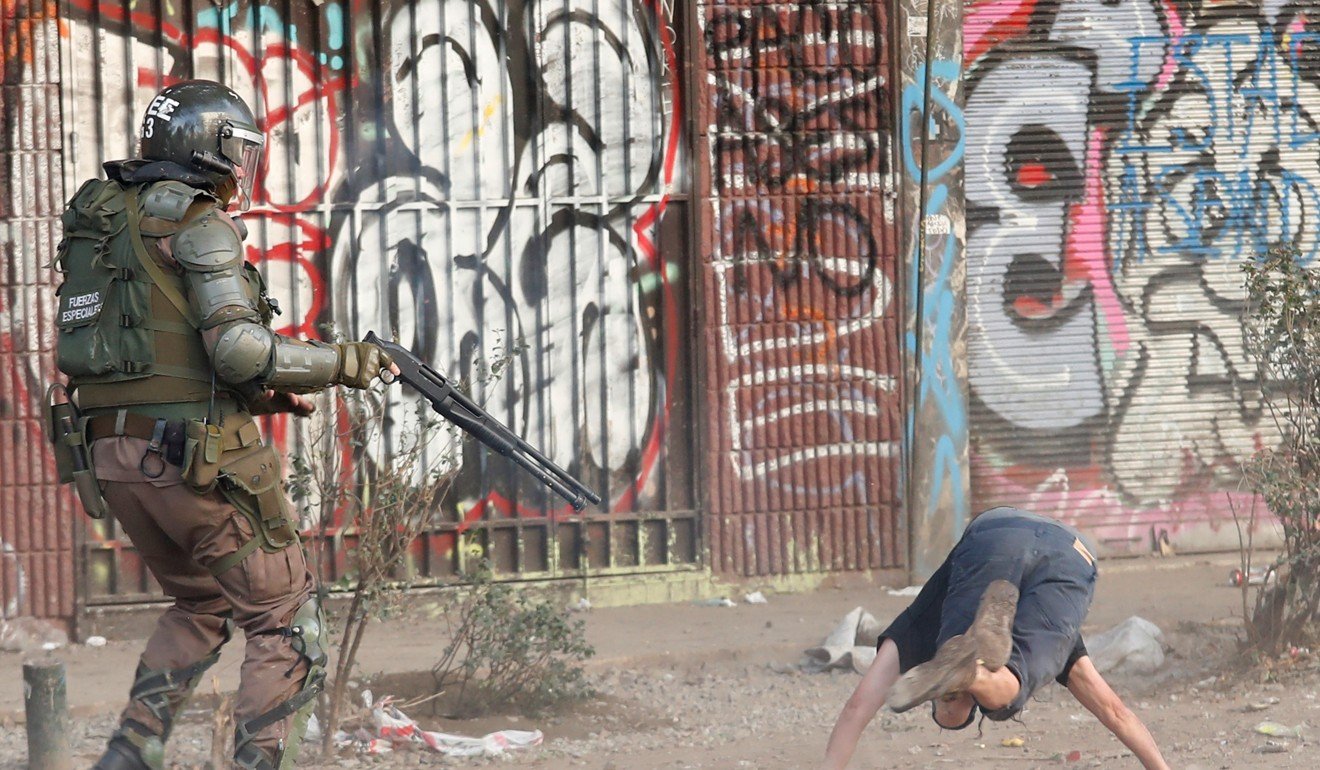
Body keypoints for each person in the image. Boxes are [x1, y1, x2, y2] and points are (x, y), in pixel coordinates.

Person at [50, 80, 394, 770]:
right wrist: (346, 362)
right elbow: (236, 348)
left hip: (113, 459)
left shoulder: (106, 220)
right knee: (285, 618)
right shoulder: (198, 222)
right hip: (192, 461)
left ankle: (128, 757)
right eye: (236, 148)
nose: (242, 165)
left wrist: (267, 399)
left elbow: (148, 356)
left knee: (201, 602)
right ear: (205, 146)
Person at [823, 507, 1170, 769]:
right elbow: (1116, 712)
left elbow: (857, 706)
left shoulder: (922, 625)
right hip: (1041, 541)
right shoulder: (921, 620)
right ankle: (974, 667)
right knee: (995, 673)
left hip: (1008, 539)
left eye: (947, 696)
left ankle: (973, 673)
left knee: (1003, 698)